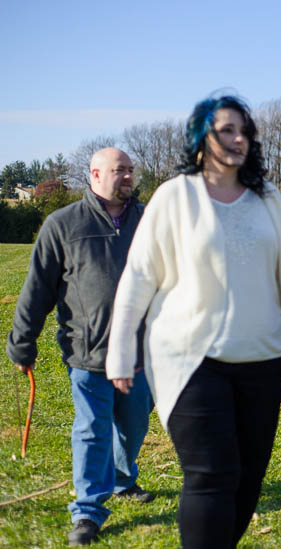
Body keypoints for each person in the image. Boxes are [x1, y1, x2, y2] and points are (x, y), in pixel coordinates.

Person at [105, 95, 281, 548]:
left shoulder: (268, 198)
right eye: (226, 130)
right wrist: (121, 350)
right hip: (190, 359)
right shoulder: (175, 196)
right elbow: (139, 276)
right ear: (202, 136)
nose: (239, 138)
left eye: (245, 131)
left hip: (263, 359)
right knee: (212, 475)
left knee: (247, 480)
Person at [6, 147, 154, 546]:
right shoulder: (63, 225)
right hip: (87, 354)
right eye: (118, 170)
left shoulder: (149, 222)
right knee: (92, 429)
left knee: (134, 424)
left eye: (130, 170)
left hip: (142, 354)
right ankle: (88, 510)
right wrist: (22, 342)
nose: (127, 177)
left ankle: (123, 479)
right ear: (94, 175)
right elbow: (37, 289)